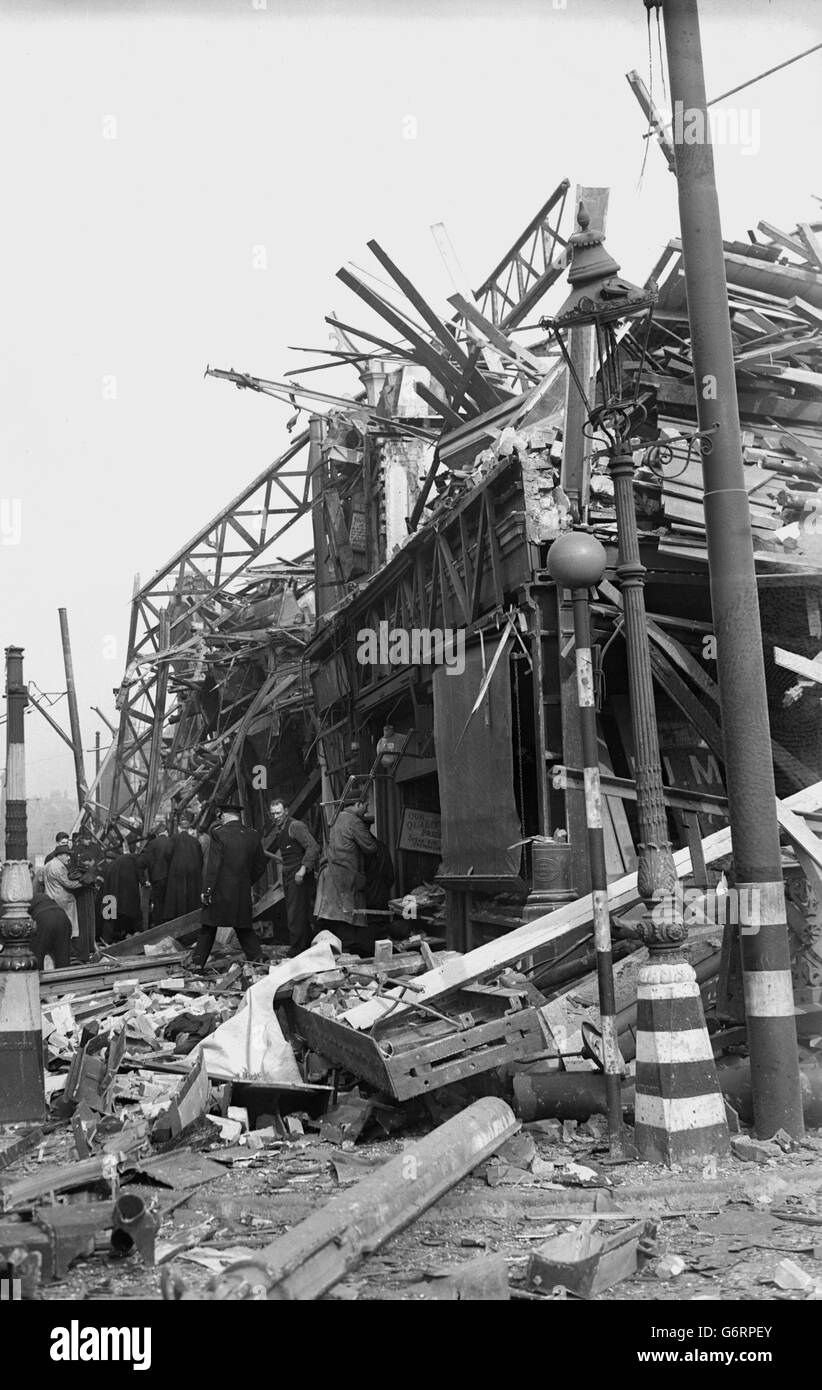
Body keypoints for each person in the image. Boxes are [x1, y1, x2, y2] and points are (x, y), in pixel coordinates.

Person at [192, 802, 267, 968]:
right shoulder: (252, 834)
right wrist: (247, 880)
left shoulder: (218, 834)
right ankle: (258, 959)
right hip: (241, 891)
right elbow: (261, 864)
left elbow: (214, 866)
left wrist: (207, 890)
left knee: (208, 927)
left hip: (220, 891)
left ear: (223, 815)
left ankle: (197, 964)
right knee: (243, 927)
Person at [313, 797, 379, 955]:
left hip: (331, 874)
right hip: (341, 876)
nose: (366, 810)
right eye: (365, 805)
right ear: (357, 804)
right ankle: (346, 953)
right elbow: (371, 847)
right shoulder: (352, 820)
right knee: (345, 918)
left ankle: (335, 951)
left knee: (334, 919)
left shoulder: (337, 817)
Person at [268, 795, 320, 958]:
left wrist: (303, 870)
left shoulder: (295, 826)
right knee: (298, 913)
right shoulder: (281, 830)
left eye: (278, 813)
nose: (276, 817)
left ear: (287, 812)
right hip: (290, 875)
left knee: (295, 913)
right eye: (273, 814)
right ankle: (305, 947)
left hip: (300, 876)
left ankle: (297, 949)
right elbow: (287, 857)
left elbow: (313, 847)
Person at [99, 833, 143, 941]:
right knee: (126, 913)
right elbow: (142, 877)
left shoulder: (117, 863)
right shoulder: (136, 861)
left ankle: (107, 938)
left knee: (109, 914)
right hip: (119, 893)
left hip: (110, 891)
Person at [163, 814, 204, 922]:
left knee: (178, 896)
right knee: (191, 896)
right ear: (189, 828)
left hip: (177, 872)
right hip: (193, 872)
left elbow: (167, 854)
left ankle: (178, 918)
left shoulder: (174, 839)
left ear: (179, 828)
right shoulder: (195, 841)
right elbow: (201, 858)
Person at [42, 843, 82, 939]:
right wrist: (83, 882)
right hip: (63, 901)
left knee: (55, 925)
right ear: (59, 855)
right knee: (67, 926)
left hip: (51, 897)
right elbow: (68, 884)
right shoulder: (59, 866)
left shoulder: (48, 864)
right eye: (66, 855)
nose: (68, 858)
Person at [139, 818, 173, 925]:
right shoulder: (172, 842)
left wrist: (143, 880)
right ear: (166, 832)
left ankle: (158, 928)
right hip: (170, 878)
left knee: (158, 905)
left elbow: (142, 862)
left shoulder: (152, 843)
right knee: (169, 905)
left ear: (157, 834)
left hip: (157, 879)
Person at [363, 814, 395, 922]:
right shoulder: (382, 847)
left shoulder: (358, 850)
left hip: (365, 905)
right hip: (381, 902)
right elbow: (390, 878)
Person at [29, 891, 72, 970]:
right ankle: (65, 980)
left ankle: (37, 980)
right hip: (63, 917)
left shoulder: (15, 900)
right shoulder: (40, 895)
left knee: (37, 955)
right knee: (63, 956)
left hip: (43, 919)